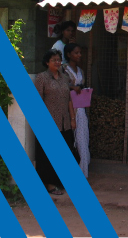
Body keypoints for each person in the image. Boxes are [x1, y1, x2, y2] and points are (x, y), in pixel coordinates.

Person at [35, 49, 76, 195]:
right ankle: (49, 184)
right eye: (54, 60)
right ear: (47, 62)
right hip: (48, 123)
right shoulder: (42, 78)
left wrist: (72, 118)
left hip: (64, 122)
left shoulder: (65, 78)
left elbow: (69, 99)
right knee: (47, 155)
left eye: (59, 60)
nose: (57, 62)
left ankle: (61, 181)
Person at [64, 43, 90, 179]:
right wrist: (73, 88)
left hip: (81, 108)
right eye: (76, 53)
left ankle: (83, 170)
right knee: (71, 139)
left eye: (80, 52)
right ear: (69, 55)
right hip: (69, 110)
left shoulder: (80, 70)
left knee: (82, 138)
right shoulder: (64, 70)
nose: (79, 55)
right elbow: (62, 87)